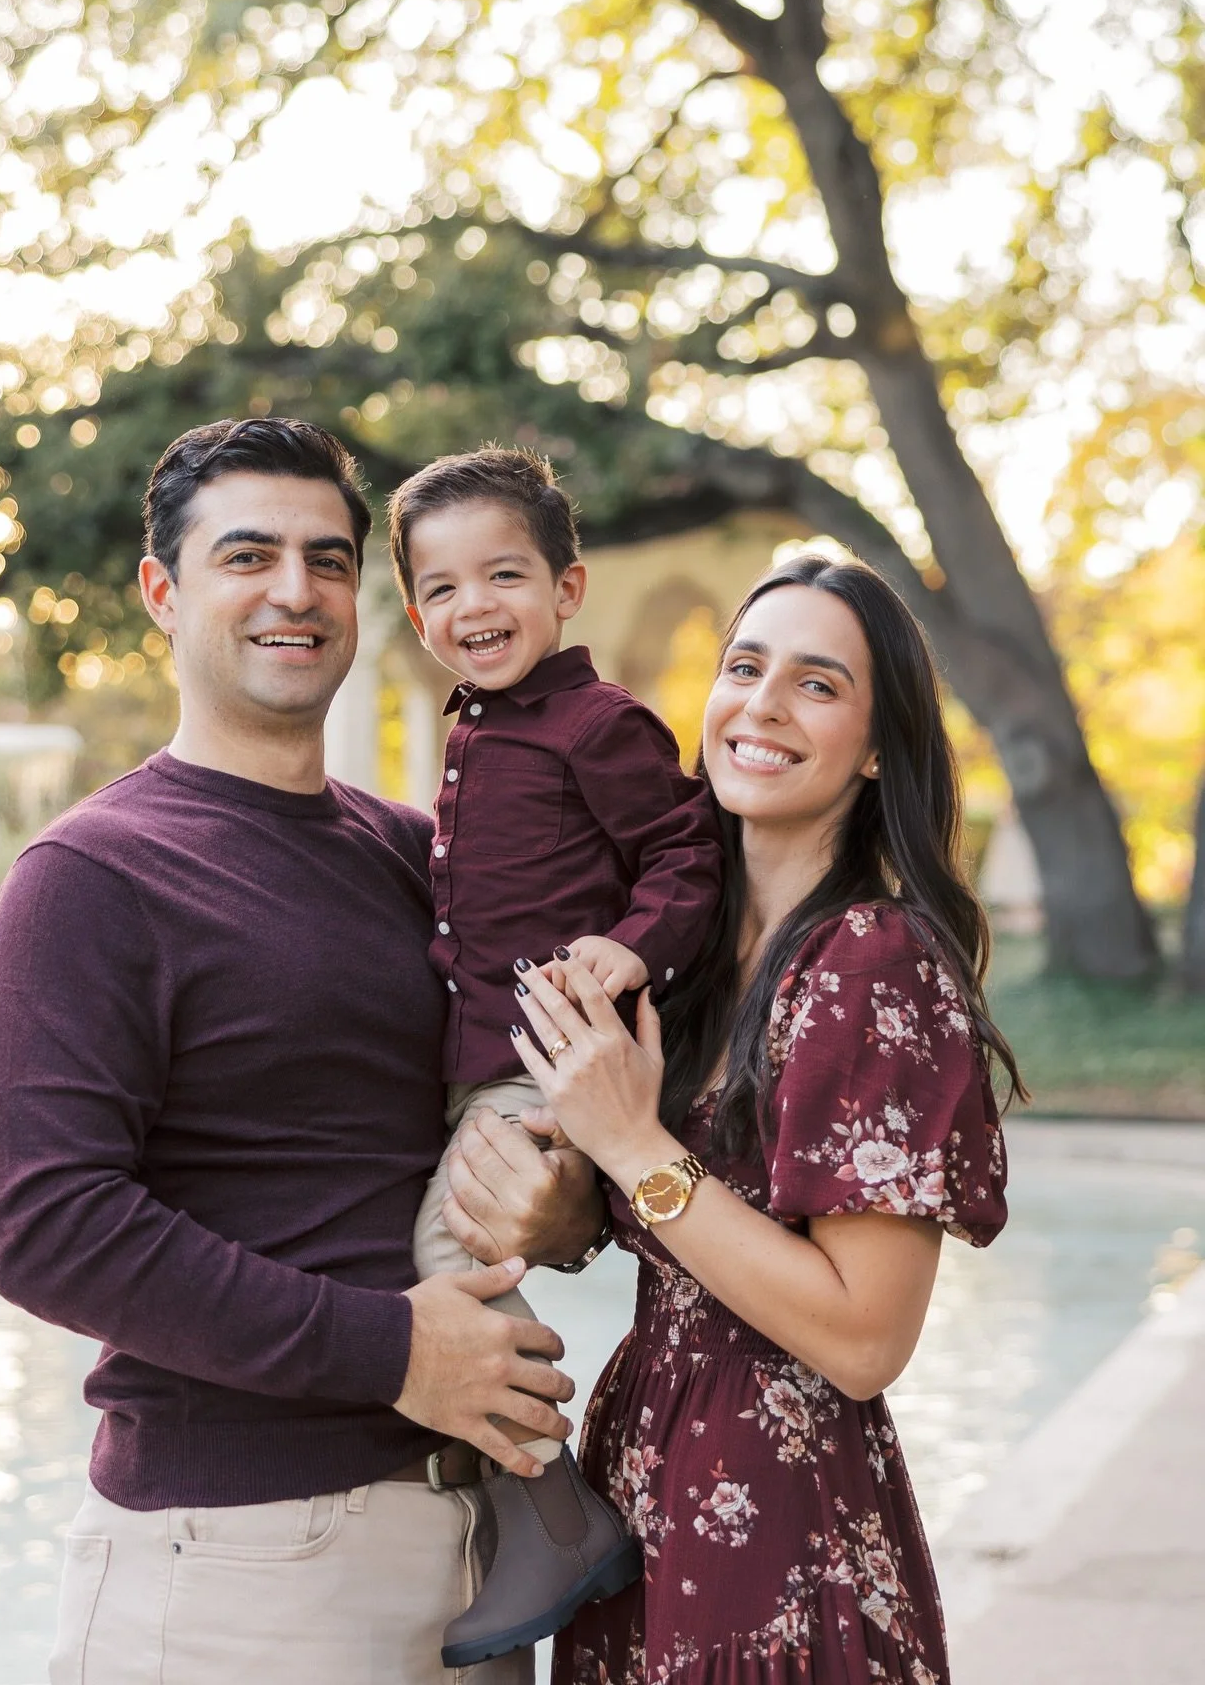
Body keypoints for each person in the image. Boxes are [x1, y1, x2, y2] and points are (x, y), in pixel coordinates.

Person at [0, 417, 606, 1685]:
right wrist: (394, 1350)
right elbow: (45, 1223)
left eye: (327, 558)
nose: (294, 592)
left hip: (478, 1547)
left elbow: (504, 1114)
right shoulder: (92, 876)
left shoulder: (419, 855)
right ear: (163, 591)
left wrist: (566, 1204)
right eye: (246, 555)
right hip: (237, 1570)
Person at [509, 552, 1026, 1685]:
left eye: (818, 684)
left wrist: (635, 1146)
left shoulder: (872, 963)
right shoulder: (680, 961)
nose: (763, 704)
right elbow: (651, 1231)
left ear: (881, 745)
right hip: (641, 1482)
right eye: (746, 666)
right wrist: (557, 1193)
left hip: (782, 1525)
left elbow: (862, 1340)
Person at [386, 447, 723, 1668]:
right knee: (440, 1249)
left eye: (505, 575)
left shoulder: (597, 721)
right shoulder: (480, 728)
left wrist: (629, 951)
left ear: (567, 587)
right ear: (417, 610)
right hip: (490, 1063)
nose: (474, 607)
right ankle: (521, 1509)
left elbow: (691, 855)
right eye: (442, 589)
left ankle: (554, 1513)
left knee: (444, 1256)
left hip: (555, 1053)